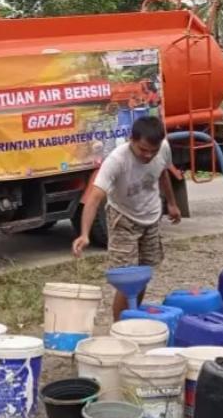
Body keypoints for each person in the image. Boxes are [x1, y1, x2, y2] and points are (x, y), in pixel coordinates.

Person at [72, 116, 182, 320]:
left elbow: (164, 173)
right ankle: (120, 329)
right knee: (127, 279)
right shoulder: (116, 160)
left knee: (143, 276)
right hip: (123, 218)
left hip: (151, 217)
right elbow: (94, 198)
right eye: (143, 149)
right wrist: (85, 234)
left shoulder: (164, 148)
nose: (148, 155)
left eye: (153, 150)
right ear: (131, 139)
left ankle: (133, 320)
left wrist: (173, 204)